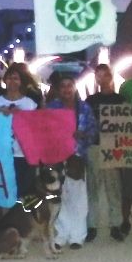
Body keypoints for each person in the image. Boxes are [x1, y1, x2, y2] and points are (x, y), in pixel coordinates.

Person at [45, 73, 97, 251]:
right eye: (63, 86)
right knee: (60, 195)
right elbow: (43, 130)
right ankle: (61, 234)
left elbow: (93, 131)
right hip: (57, 156)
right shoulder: (51, 108)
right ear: (59, 90)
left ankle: (77, 235)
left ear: (74, 87)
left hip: (77, 156)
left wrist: (83, 136)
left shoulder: (84, 108)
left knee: (78, 196)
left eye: (69, 85)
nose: (67, 89)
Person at [86, 63, 126, 242]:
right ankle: (91, 225)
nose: (102, 79)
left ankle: (115, 225)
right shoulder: (90, 101)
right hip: (94, 146)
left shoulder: (120, 99)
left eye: (105, 75)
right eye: (98, 76)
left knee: (113, 188)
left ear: (110, 77)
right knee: (93, 188)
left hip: (113, 147)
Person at [0, 65, 39, 197]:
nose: (12, 81)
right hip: (2, 154)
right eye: (9, 78)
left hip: (24, 154)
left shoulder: (30, 104)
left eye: (16, 78)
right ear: (4, 81)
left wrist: (23, 115)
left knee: (25, 193)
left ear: (21, 81)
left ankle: (24, 216)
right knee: (4, 192)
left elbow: (36, 128)